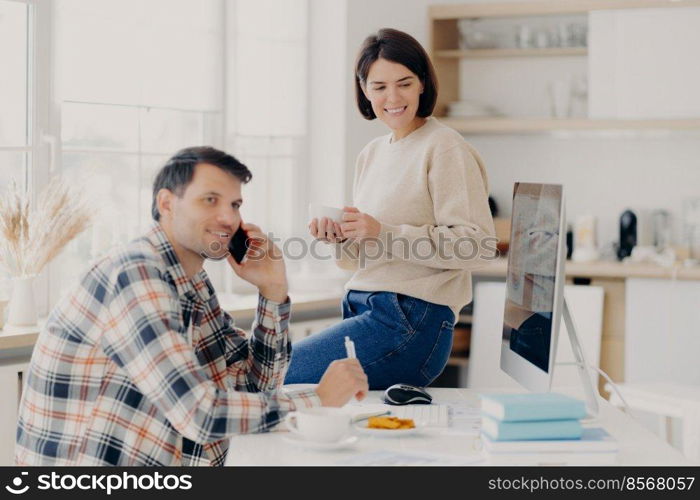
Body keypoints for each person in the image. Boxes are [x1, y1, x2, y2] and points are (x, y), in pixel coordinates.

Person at [15, 146, 368, 466]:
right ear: (167, 204)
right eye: (210, 200)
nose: (228, 219)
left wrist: (273, 291)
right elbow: (199, 414)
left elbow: (252, 387)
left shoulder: (192, 280)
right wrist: (318, 400)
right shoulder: (137, 275)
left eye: (234, 204)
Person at [285, 29, 495, 389]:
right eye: (379, 86)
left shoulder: (444, 148)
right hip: (365, 309)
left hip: (410, 322)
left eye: (404, 83)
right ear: (364, 90)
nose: (392, 97)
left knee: (275, 374)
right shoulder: (372, 153)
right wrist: (340, 238)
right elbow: (360, 259)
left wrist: (384, 232)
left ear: (423, 85)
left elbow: (477, 245)